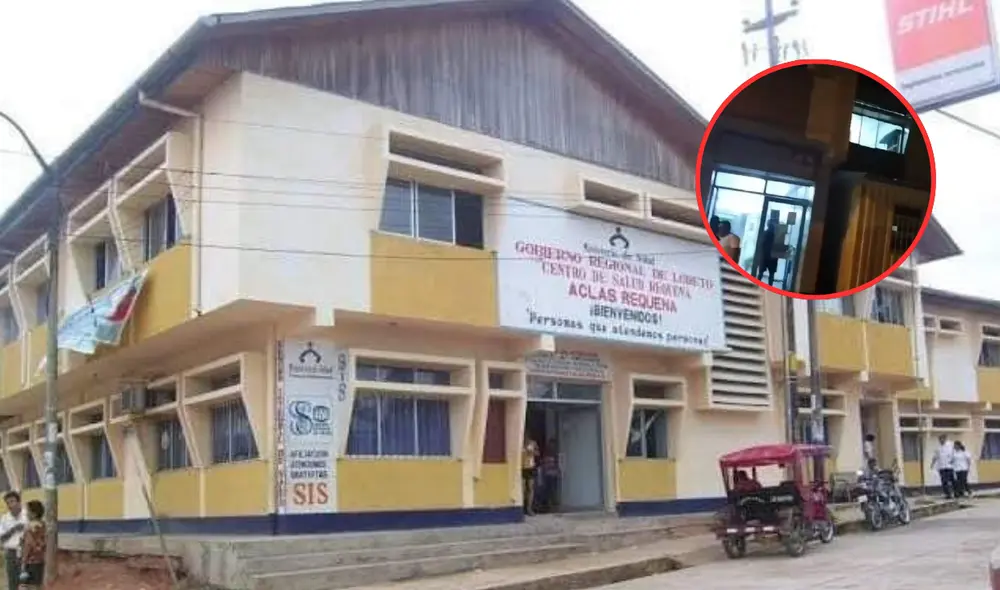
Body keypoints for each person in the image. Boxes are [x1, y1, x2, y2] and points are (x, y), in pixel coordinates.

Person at [0, 491, 26, 590]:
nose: (10, 505)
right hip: (10, 554)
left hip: (26, 553)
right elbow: (1, 538)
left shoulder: (27, 515)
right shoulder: (5, 518)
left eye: (12, 501)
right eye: (8, 503)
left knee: (26, 583)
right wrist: (13, 529)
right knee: (12, 583)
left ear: (19, 502)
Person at [17, 500, 45, 589]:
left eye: (28, 511)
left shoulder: (30, 528)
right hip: (40, 561)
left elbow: (28, 546)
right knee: (37, 586)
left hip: (30, 562)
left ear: (34, 513)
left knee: (24, 586)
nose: (26, 514)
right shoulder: (43, 525)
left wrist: (23, 563)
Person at [931, 434, 956, 499]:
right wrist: (932, 464)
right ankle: (948, 494)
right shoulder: (938, 448)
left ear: (945, 439)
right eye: (940, 439)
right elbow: (935, 456)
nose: (941, 441)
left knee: (952, 480)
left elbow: (955, 453)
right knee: (944, 481)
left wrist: (953, 460)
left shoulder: (950, 445)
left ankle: (956, 492)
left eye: (942, 439)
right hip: (941, 467)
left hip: (949, 466)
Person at [521, 437, 539, 515]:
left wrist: (532, 452)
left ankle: (529, 508)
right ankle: (522, 507)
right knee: (523, 489)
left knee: (530, 488)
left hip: (530, 467)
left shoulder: (533, 443)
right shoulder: (519, 441)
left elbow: (538, 453)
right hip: (522, 467)